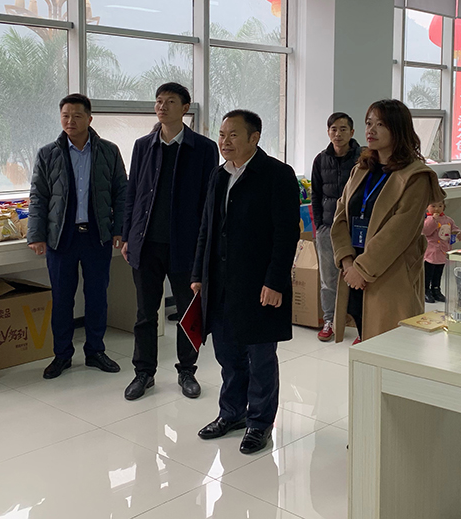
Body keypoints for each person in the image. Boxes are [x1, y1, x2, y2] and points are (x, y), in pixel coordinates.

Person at [191, 110, 299, 455]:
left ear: (254, 138)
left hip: (259, 284)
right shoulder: (218, 174)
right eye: (222, 135)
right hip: (220, 283)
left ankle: (260, 422)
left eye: (233, 135)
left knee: (260, 356)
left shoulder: (277, 175)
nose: (224, 142)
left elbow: (286, 235)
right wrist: (198, 275)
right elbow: (207, 229)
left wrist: (275, 282)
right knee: (228, 354)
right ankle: (232, 413)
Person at [121, 83, 219, 401]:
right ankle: (143, 373)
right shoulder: (143, 146)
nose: (162, 107)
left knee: (188, 313)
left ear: (185, 108)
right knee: (145, 314)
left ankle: (187, 371)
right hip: (147, 243)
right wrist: (127, 234)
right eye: (159, 101)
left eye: (170, 101)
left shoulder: (203, 148)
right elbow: (133, 193)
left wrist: (205, 246)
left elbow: (209, 201)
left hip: (185, 246)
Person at [28, 93, 127, 380]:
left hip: (97, 236)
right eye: (65, 116)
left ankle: (95, 351)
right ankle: (62, 355)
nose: (70, 121)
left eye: (77, 116)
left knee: (97, 297)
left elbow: (122, 192)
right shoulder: (48, 153)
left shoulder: (108, 151)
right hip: (61, 237)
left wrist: (120, 229)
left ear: (89, 119)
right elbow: (38, 196)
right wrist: (36, 234)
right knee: (62, 299)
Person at [330, 99, 445, 343]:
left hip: (389, 276)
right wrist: (348, 262)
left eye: (380, 124)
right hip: (353, 273)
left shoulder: (415, 176)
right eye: (368, 123)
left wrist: (362, 269)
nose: (370, 130)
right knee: (364, 341)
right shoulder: (361, 169)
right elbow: (340, 216)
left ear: (398, 129)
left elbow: (398, 232)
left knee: (389, 345)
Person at [310, 112, 361, 342]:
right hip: (328, 228)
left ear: (352, 132)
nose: (337, 134)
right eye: (333, 129)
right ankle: (329, 320)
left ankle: (361, 325)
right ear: (328, 132)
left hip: (357, 228)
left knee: (360, 275)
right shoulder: (321, 160)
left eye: (343, 129)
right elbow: (316, 194)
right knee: (328, 279)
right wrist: (320, 225)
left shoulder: (364, 159)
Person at [422, 200, 461, 303]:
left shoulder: (448, 220)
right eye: (433, 206)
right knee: (428, 272)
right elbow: (426, 231)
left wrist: (458, 233)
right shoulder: (427, 220)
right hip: (431, 252)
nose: (437, 209)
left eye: (440, 206)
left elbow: (454, 229)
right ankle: (425, 290)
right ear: (427, 207)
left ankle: (436, 289)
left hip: (443, 252)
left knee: (438, 272)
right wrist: (433, 220)